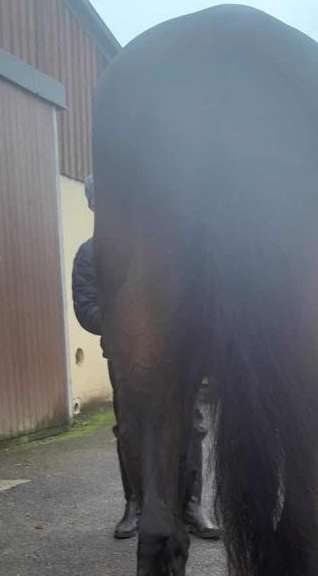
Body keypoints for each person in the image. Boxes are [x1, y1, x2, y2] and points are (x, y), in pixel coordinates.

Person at [71, 175, 220, 544]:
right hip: (126, 359)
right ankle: (135, 505)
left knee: (191, 426)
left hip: (178, 356)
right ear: (91, 204)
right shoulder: (89, 255)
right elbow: (85, 309)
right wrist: (128, 328)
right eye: (100, 199)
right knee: (130, 429)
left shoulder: (162, 250)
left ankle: (191, 506)